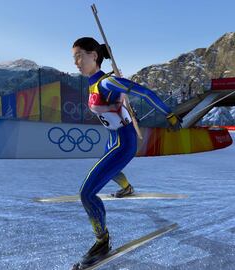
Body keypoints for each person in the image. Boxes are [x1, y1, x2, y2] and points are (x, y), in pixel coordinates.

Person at [71, 37, 182, 267]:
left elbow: (145, 93)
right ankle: (127, 188)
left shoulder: (107, 83)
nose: (76, 62)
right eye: (74, 58)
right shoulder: (95, 83)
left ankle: (102, 241)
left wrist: (169, 114)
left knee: (87, 193)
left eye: (79, 56)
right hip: (113, 138)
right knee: (108, 170)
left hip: (124, 141)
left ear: (94, 55)